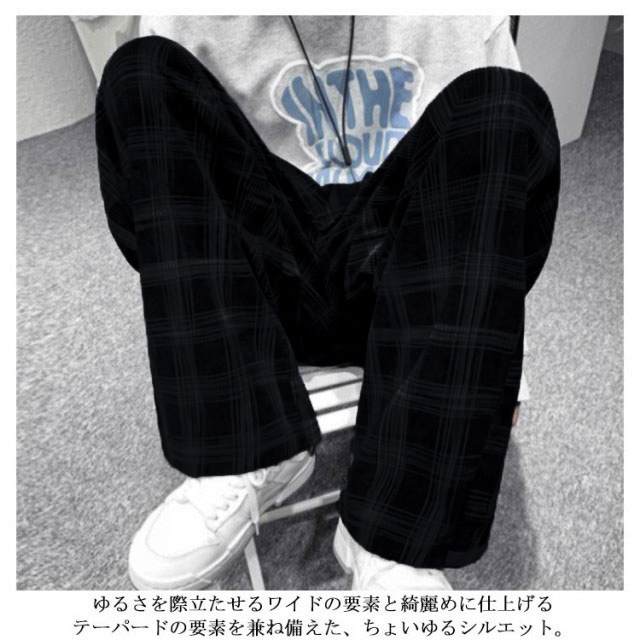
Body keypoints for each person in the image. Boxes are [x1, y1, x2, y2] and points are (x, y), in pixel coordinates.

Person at [94, 15, 561, 590]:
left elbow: (503, 194)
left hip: (409, 269)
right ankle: (248, 446)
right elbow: (168, 202)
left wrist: (508, 364)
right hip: (267, 269)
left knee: (508, 106)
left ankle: (390, 533)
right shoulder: (186, 13)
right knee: (139, 78)